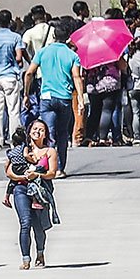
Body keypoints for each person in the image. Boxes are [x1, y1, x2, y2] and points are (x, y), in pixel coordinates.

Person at [24, 22, 84, 177]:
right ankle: (59, 168)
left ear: (54, 36)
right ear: (68, 38)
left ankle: (48, 166)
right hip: (64, 98)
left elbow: (29, 73)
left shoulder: (43, 52)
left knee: (48, 133)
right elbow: (77, 77)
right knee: (63, 133)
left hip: (46, 97)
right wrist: (81, 100)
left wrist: (26, 93)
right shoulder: (72, 55)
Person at [3, 123, 58, 270]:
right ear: (29, 132)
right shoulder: (21, 149)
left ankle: (40, 253)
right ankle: (25, 259)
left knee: (38, 227)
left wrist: (37, 174)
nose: (38, 132)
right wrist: (22, 176)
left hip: (40, 191)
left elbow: (52, 173)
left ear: (45, 134)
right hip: (21, 188)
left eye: (41, 130)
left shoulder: (50, 151)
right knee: (25, 223)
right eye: (35, 129)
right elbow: (8, 171)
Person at [0, 10, 26, 148]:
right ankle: (15, 140)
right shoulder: (15, 37)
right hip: (10, 76)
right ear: (10, 21)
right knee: (13, 110)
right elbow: (19, 57)